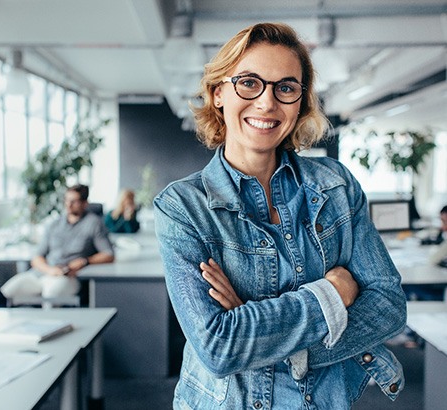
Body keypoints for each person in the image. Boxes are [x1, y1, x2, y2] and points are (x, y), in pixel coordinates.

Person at [153, 22, 407, 409]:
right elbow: (218, 347)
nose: (267, 103)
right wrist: (332, 294)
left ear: (300, 102)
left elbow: (388, 305)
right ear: (219, 92)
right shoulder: (183, 207)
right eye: (249, 83)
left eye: (285, 88)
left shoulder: (335, 186)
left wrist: (273, 341)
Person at [1, 184, 114, 301]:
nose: (69, 205)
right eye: (67, 200)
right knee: (8, 290)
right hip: (43, 272)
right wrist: (50, 270)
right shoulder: (54, 224)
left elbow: (108, 254)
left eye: (74, 201)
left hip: (68, 277)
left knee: (51, 294)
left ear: (85, 203)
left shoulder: (94, 223)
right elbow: (36, 258)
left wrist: (84, 261)